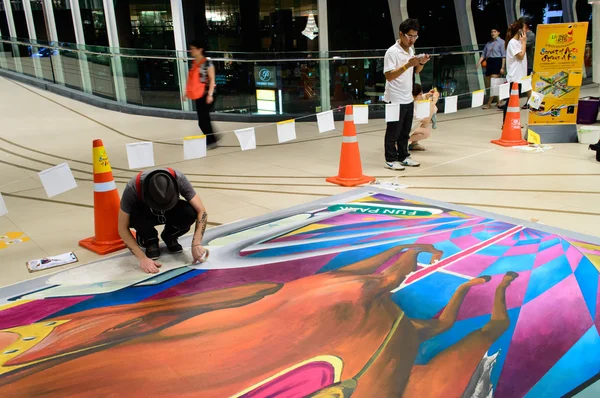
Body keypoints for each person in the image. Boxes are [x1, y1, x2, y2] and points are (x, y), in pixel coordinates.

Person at [118, 167, 209, 274]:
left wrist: (196, 243)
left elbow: (201, 211)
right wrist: (142, 258)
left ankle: (170, 235)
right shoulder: (133, 187)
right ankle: (149, 239)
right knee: (134, 214)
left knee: (189, 212)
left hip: (171, 211)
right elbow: (122, 227)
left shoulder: (179, 179)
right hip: (145, 213)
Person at [383, 18, 431, 171]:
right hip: (394, 98)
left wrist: (421, 63)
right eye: (410, 36)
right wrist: (407, 65)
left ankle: (403, 156)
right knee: (393, 131)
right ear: (401, 34)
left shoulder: (411, 50)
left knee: (405, 131)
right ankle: (391, 159)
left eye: (415, 36)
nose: (412, 40)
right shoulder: (392, 52)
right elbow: (389, 76)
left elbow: (416, 71)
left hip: (407, 96)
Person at [183, 39, 218, 148]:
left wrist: (210, 95)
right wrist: (186, 93)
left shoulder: (207, 62)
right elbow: (192, 79)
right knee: (203, 119)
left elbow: (212, 79)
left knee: (203, 120)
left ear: (200, 49)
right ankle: (211, 139)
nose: (191, 51)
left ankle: (211, 140)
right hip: (198, 94)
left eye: (193, 49)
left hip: (207, 93)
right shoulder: (194, 62)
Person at [502, 20, 528, 125]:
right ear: (519, 30)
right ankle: (506, 122)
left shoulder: (517, 43)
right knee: (510, 101)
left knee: (515, 101)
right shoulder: (512, 43)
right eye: (525, 28)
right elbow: (520, 56)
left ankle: (513, 122)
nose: (526, 30)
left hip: (520, 76)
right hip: (514, 77)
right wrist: (524, 42)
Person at [476, 28, 506, 109]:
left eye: (495, 31)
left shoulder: (502, 42)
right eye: (492, 31)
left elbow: (503, 55)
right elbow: (483, 54)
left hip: (497, 62)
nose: (493, 33)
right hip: (489, 62)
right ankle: (499, 101)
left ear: (498, 33)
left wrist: (502, 67)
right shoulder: (488, 43)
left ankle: (489, 103)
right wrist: (478, 62)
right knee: (489, 84)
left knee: (494, 83)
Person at [408, 83, 439, 151]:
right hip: (403, 131)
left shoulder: (410, 101)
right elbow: (426, 120)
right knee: (426, 132)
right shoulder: (411, 107)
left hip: (406, 128)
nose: (421, 96)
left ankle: (414, 144)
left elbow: (419, 100)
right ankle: (399, 142)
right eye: (420, 94)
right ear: (413, 96)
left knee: (425, 124)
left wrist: (427, 95)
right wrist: (433, 102)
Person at [520, 17, 536, 109]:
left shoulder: (530, 35)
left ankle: (530, 101)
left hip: (528, 63)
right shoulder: (522, 35)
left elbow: (524, 44)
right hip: (522, 63)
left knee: (527, 83)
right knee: (525, 83)